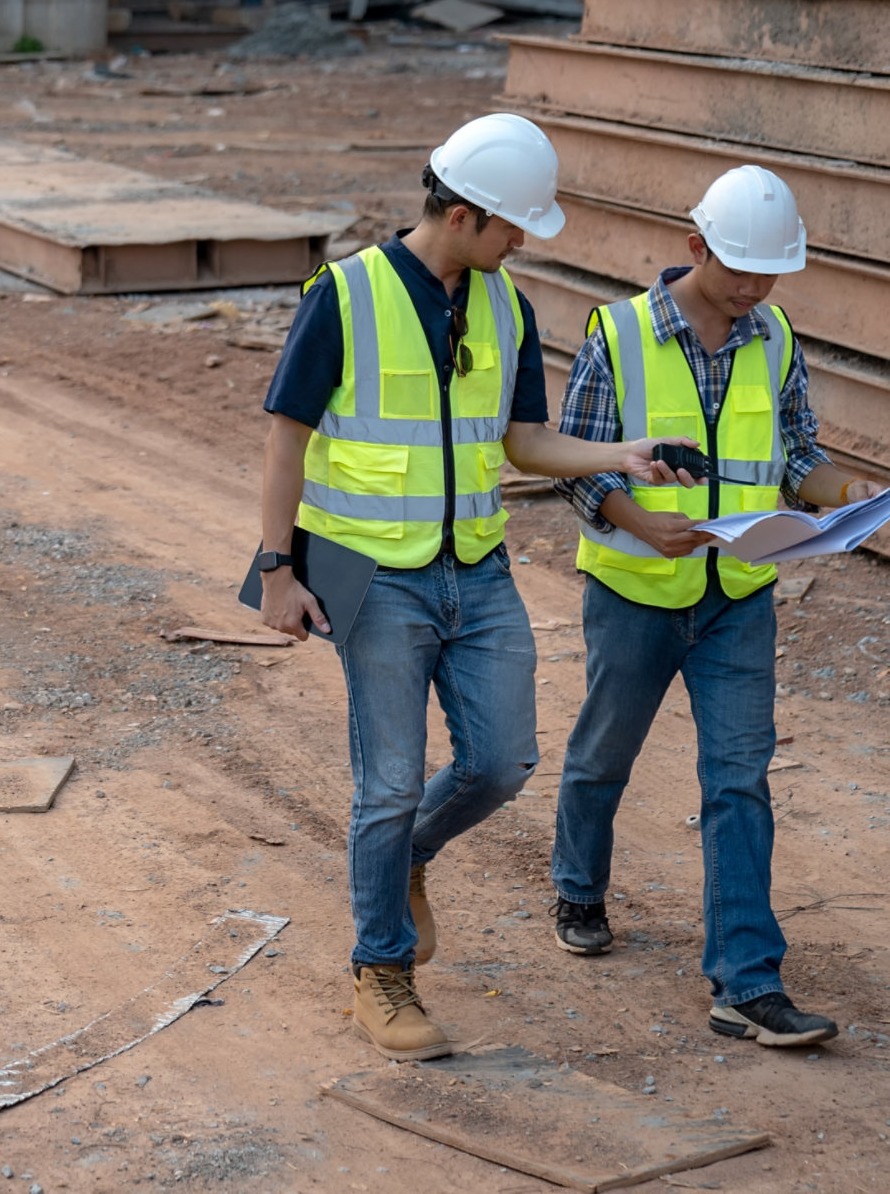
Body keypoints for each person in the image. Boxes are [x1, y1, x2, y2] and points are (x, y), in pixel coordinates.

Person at [258, 112, 695, 1061]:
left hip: (478, 569)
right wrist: (276, 570)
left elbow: (522, 442)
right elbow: (286, 437)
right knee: (385, 783)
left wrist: (627, 451)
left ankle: (409, 855)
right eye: (512, 227)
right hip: (367, 574)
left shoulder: (503, 304)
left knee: (503, 762)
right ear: (461, 215)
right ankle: (383, 969)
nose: (522, 243)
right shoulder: (347, 295)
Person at [550, 164, 881, 1048]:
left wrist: (843, 491)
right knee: (602, 756)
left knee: (738, 780)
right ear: (695, 247)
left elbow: (795, 450)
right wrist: (637, 520)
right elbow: (578, 463)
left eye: (770, 273)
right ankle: (578, 885)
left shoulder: (772, 335)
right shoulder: (617, 334)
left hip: (738, 595)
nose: (754, 288)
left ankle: (746, 982)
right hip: (635, 592)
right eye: (740, 269)